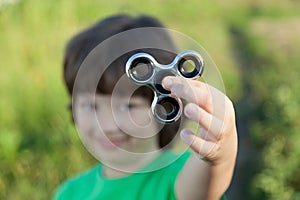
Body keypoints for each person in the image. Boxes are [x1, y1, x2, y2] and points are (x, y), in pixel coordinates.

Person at [53, 14, 238, 200]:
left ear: (165, 106)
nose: (108, 126)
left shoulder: (178, 177)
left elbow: (204, 188)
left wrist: (220, 152)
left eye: (128, 106)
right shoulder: (70, 193)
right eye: (91, 106)